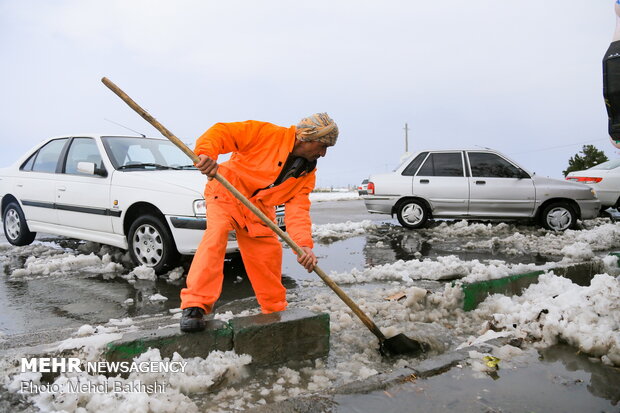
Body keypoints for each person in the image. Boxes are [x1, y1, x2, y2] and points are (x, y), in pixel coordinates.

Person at [179, 113, 338, 332]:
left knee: (268, 255)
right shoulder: (266, 134)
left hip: (258, 210)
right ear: (306, 139)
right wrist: (206, 155)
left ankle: (275, 310)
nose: (323, 153)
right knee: (216, 235)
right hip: (226, 193)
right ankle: (195, 306)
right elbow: (222, 132)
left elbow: (298, 209)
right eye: (322, 146)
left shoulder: (307, 172)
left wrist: (303, 245)